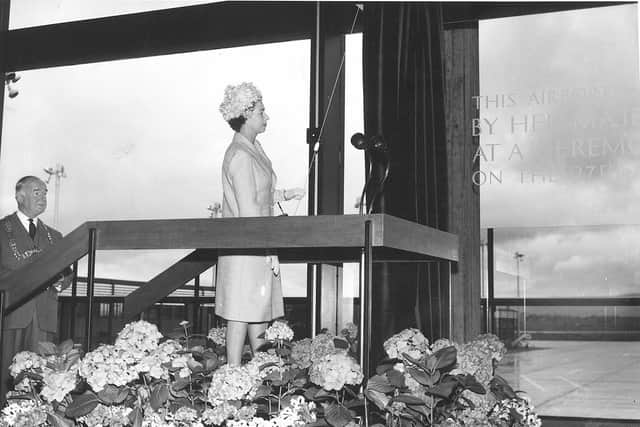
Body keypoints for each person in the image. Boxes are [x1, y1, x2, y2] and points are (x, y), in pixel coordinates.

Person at [216, 82, 305, 365]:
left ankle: (262, 375)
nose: (266, 117)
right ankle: (233, 374)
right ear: (246, 114)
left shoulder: (254, 149)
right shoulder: (240, 156)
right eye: (261, 111)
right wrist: (269, 249)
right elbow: (248, 212)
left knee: (257, 313)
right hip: (247, 249)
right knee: (241, 314)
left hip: (256, 246)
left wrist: (286, 194)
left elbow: (260, 195)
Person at [0, 176, 72, 400]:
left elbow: (67, 272)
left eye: (45, 193)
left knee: (42, 376)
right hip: (11, 314)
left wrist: (62, 282)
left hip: (44, 316)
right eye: (36, 192)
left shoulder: (55, 236)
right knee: (6, 373)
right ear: (20, 196)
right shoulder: (2, 229)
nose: (43, 197)